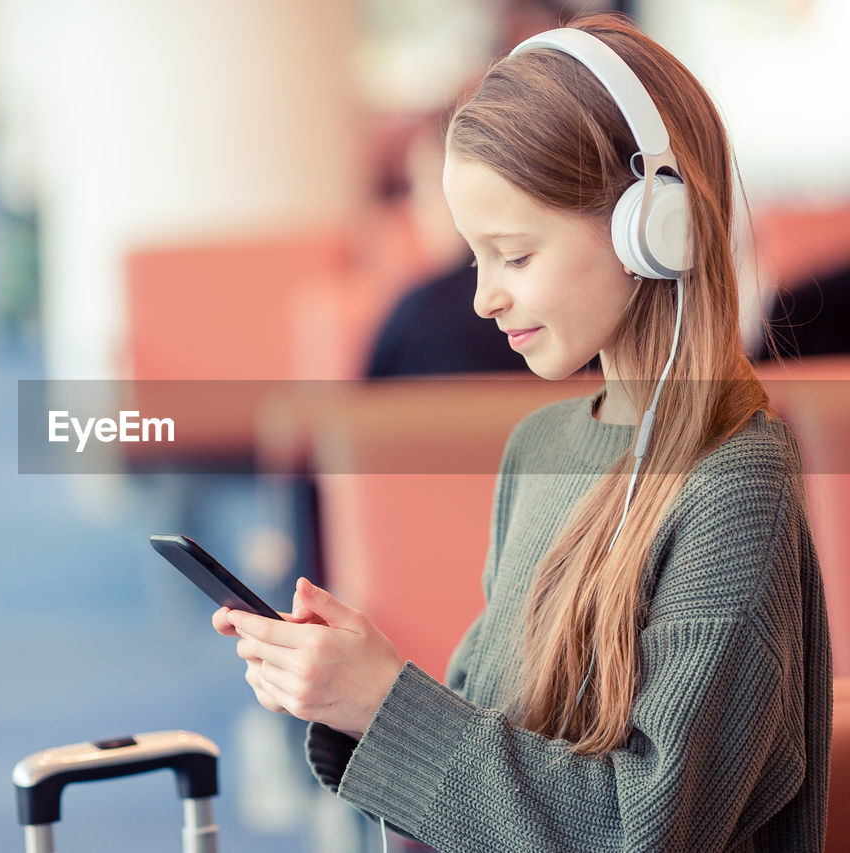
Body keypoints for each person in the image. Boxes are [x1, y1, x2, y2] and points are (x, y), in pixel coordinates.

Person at [212, 13, 830, 851]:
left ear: (651, 228)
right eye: (475, 257)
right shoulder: (539, 447)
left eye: (515, 254)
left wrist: (387, 700)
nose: (483, 299)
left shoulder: (735, 482)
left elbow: (640, 831)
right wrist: (349, 691)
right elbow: (498, 752)